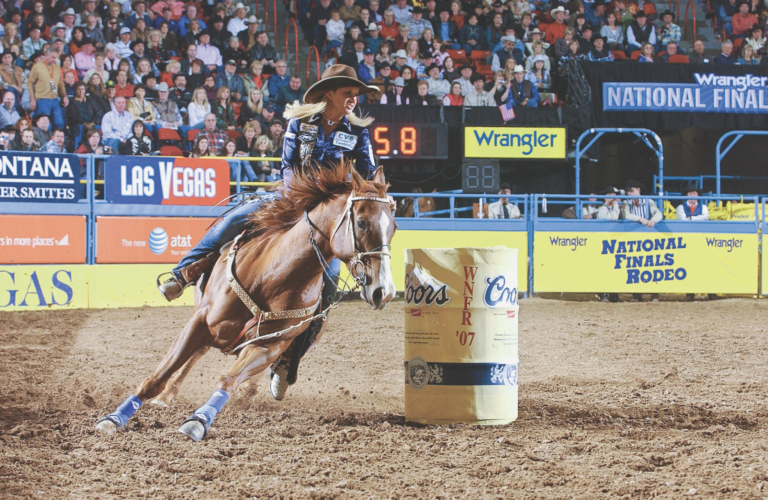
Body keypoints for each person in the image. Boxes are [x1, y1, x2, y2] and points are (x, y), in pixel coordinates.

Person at [156, 64, 383, 403]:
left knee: (328, 291)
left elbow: (366, 178)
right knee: (235, 219)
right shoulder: (300, 125)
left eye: (356, 95)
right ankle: (185, 272)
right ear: (330, 93)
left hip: (328, 220)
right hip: (290, 199)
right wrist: (300, 202)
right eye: (348, 92)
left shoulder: (357, 133)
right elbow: (288, 167)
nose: (353, 99)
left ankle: (287, 363)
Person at [622, 179, 662, 302]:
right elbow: (626, 215)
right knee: (635, 264)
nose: (629, 194)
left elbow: (658, 213)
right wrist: (640, 218)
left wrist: (653, 220)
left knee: (652, 264)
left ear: (638, 190)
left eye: (631, 191)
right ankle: (637, 294)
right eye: (628, 191)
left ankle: (654, 294)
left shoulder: (648, 201)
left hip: (647, 238)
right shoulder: (626, 202)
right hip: (634, 237)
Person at [28, 48, 69, 131]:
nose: (54, 60)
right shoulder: (37, 66)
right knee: (46, 125)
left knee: (59, 123)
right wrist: (32, 99)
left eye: (56, 58)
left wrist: (64, 96)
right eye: (52, 57)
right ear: (46, 55)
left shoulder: (57, 68)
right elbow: (29, 83)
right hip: (42, 100)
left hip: (55, 99)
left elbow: (60, 84)